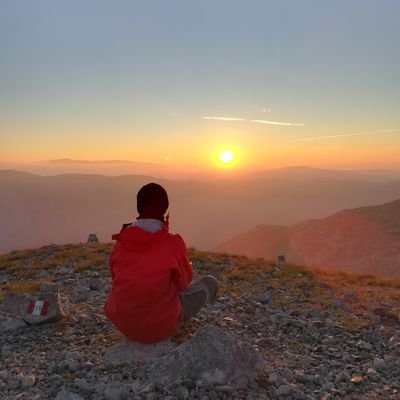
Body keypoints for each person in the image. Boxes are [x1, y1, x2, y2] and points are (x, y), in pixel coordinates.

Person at [104, 182, 218, 344]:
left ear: (139, 207)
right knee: (209, 282)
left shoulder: (122, 243)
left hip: (124, 324)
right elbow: (183, 284)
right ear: (165, 208)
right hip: (160, 328)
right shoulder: (173, 243)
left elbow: (116, 279)